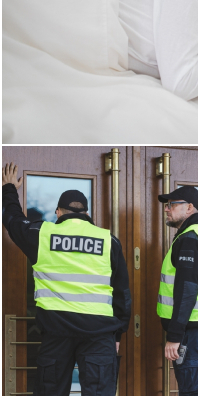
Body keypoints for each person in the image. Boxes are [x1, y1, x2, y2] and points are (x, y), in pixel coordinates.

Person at [1, 163, 131, 396]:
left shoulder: (42, 234)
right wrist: (117, 334)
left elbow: (12, 220)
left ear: (58, 212)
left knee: (51, 392)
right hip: (100, 334)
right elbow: (122, 292)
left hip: (56, 332)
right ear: (87, 214)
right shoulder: (108, 240)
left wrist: (9, 188)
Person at [156, 186, 198, 396]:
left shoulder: (190, 239)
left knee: (194, 391)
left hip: (192, 333)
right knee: (196, 389)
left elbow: (187, 290)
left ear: (189, 208)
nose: (167, 209)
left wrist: (174, 336)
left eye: (172, 205)